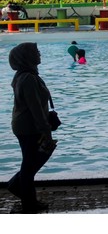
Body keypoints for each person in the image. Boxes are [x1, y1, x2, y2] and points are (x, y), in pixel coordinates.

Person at [8, 42, 54, 213]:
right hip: (28, 127)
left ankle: (18, 187)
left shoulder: (26, 76)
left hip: (26, 125)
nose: (39, 54)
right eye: (36, 52)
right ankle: (29, 203)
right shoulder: (27, 78)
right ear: (27, 57)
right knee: (29, 165)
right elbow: (34, 107)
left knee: (31, 161)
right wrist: (45, 129)